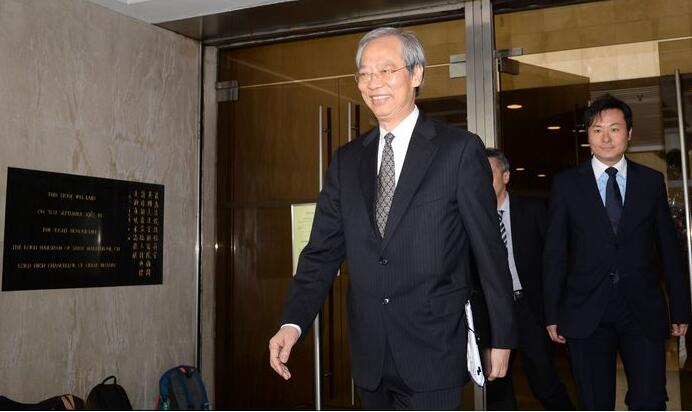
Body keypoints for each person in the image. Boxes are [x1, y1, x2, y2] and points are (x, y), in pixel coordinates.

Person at [268, 26, 516, 410]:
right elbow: (321, 252)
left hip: (434, 350)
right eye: (365, 74)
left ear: (416, 75)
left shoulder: (458, 151)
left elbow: (489, 251)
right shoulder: (347, 161)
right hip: (370, 354)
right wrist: (292, 322)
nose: (373, 83)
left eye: (386, 70)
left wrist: (501, 336)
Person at [542, 94, 691, 410]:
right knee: (594, 402)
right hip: (586, 311)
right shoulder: (567, 185)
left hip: (642, 310)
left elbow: (669, 248)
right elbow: (555, 253)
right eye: (597, 130)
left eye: (614, 129)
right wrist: (552, 313)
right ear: (588, 136)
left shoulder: (651, 182)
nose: (606, 138)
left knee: (650, 400)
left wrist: (680, 307)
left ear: (629, 133)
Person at [484, 148, 574, 410]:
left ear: (506, 176)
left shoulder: (532, 211)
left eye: (488, 174)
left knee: (544, 381)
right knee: (497, 387)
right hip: (493, 311)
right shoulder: (474, 217)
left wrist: (556, 309)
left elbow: (555, 261)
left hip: (529, 307)